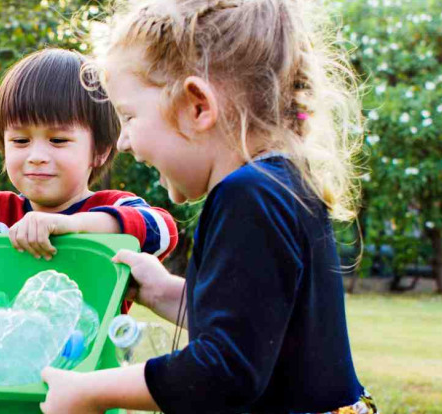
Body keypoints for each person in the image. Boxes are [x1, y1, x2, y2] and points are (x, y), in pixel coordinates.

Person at [39, 0, 376, 413]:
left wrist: (90, 390)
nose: (124, 142)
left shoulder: (248, 195)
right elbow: (255, 324)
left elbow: (224, 370)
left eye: (129, 117)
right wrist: (165, 293)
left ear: (197, 106)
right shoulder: (282, 184)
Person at [0, 48, 178, 266]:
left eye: (58, 140)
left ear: (100, 150)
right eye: (20, 140)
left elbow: (162, 230)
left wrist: (72, 225)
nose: (37, 156)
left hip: (93, 346)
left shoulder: (111, 207)